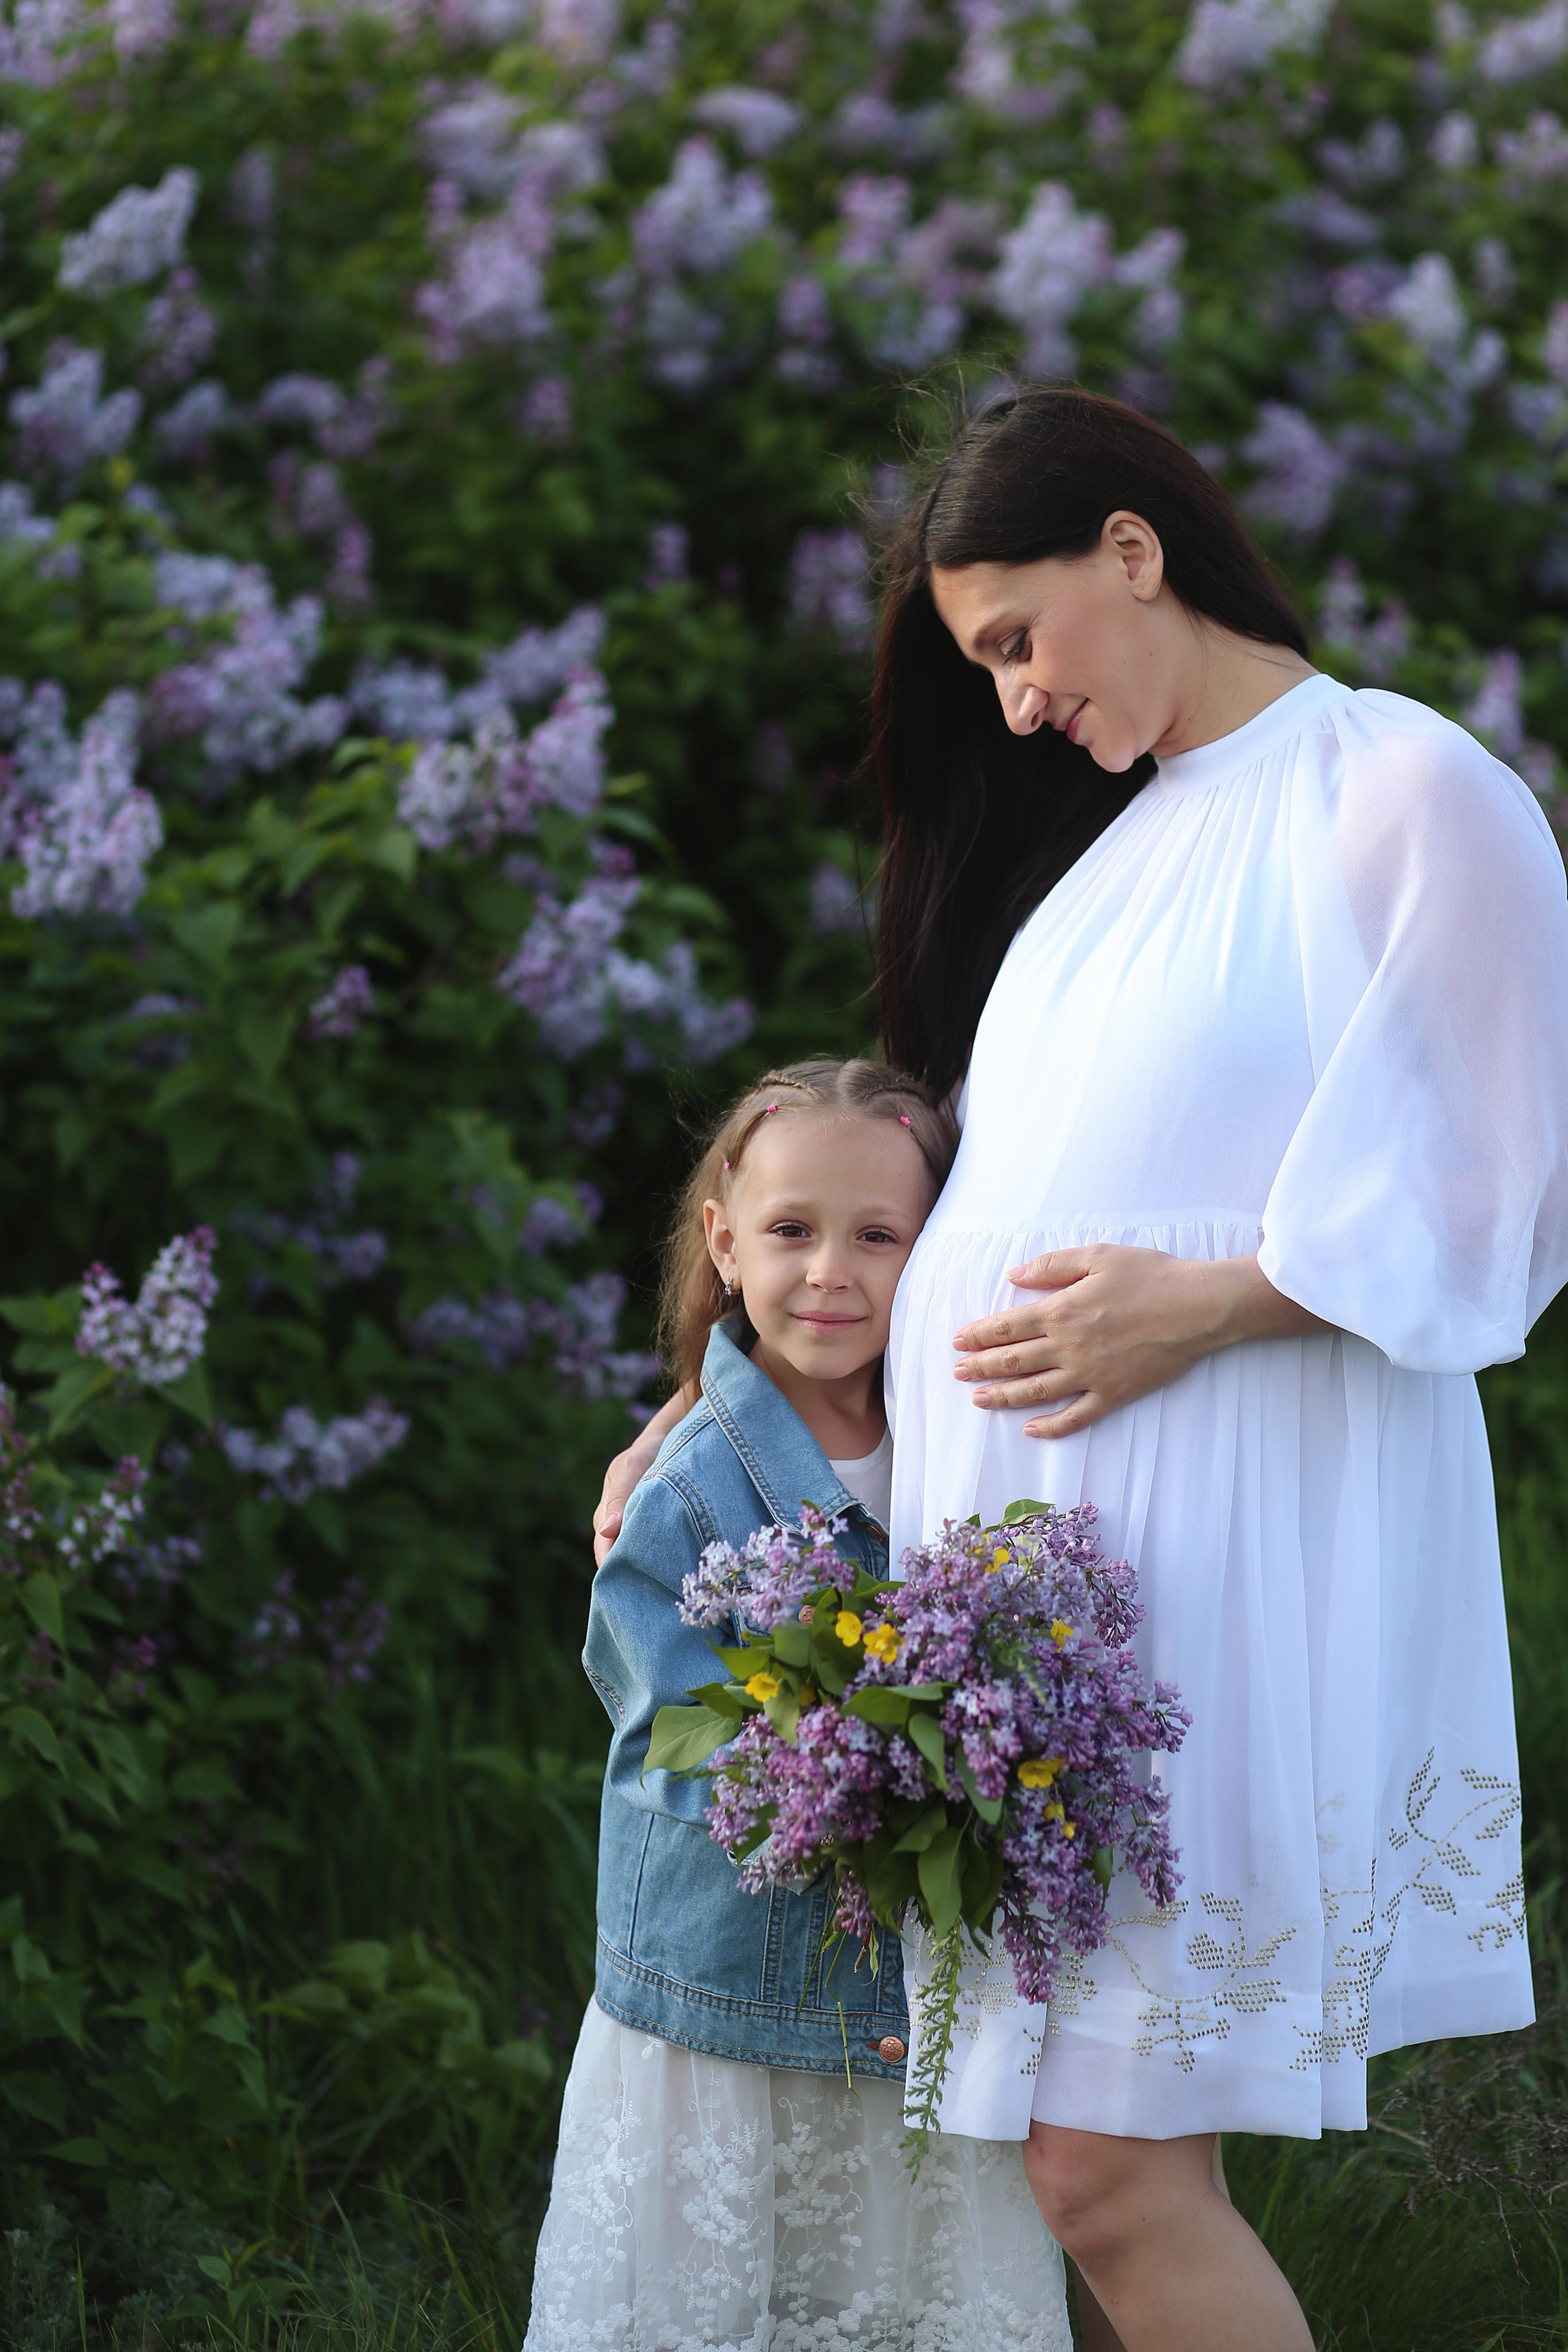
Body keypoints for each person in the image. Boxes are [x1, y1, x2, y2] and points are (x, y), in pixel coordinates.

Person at [594, 390, 1568, 2352]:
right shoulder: (1113, 859)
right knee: (1078, 2162)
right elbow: (911, 1214)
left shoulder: (1397, 789)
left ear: (1137, 550)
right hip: (1041, 1629)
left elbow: (1505, 1182)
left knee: (1104, 2170)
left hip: (1217, 1589)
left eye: (1019, 641)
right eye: (983, 669)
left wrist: (1203, 1308)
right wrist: (717, 1394)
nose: (1016, 704)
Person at [528, 1058, 1074, 2352]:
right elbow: (671, 1733)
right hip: (729, 1981)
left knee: (891, 2278)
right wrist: (850, 1761)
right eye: (789, 1231)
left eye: (876, 1238)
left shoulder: (960, 1439)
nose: (829, 1272)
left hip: (915, 1985)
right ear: (721, 1240)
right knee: (725, 2293)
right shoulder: (691, 1488)